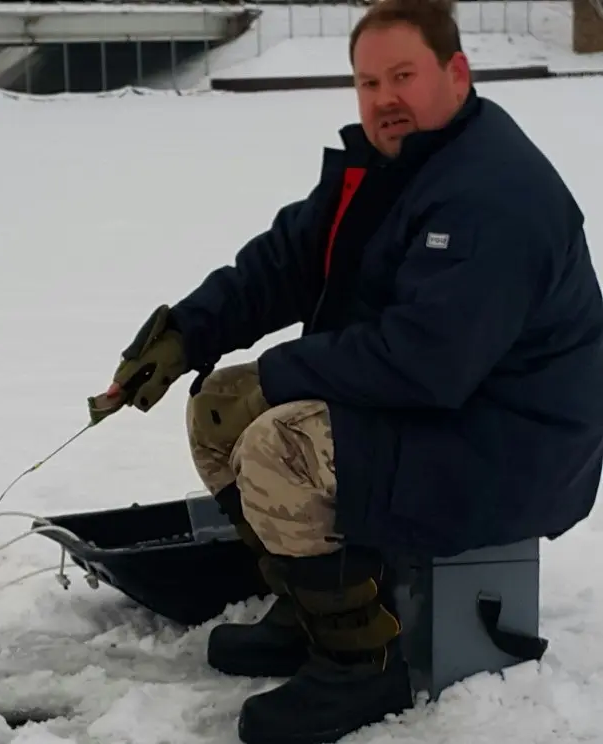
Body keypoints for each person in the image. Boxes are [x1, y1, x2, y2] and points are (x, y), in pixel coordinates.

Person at [89, 0, 603, 741]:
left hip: (513, 445)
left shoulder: (494, 195)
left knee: (281, 445)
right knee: (218, 409)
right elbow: (284, 263)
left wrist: (276, 373)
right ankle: (313, 609)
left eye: (403, 75)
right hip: (446, 416)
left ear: (456, 74)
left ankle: (364, 663)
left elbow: (430, 361)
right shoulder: (393, 166)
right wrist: (183, 337)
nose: (383, 98)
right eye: (367, 82)